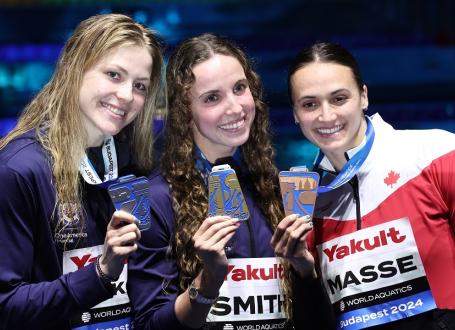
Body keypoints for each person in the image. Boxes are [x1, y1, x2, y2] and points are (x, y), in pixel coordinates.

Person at [128, 33, 334, 330]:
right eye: (212, 97)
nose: (236, 108)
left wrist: (305, 270)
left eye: (240, 88)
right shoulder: (155, 200)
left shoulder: (276, 189)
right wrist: (207, 281)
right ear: (184, 112)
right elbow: (149, 325)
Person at [0, 13, 165, 330]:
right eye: (114, 75)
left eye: (140, 86)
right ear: (74, 67)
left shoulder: (133, 169)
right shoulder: (19, 170)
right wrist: (101, 273)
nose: (128, 96)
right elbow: (6, 305)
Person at [287, 42, 455, 329]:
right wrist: (302, 270)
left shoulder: (435, 152)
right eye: (310, 104)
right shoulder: (302, 201)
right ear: (295, 114)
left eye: (339, 98)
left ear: (363, 96)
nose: (326, 116)